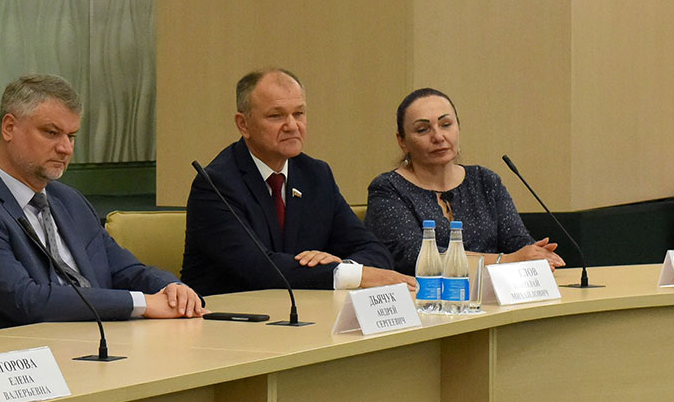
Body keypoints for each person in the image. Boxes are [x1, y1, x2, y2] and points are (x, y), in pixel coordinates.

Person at [0, 74, 203, 334]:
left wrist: (172, 290)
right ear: (9, 128)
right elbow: (27, 301)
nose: (66, 148)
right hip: (22, 356)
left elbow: (125, 270)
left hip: (94, 345)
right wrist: (143, 303)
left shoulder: (69, 201)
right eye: (51, 133)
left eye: (71, 136)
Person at [180, 69, 409, 298]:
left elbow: (374, 250)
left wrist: (344, 265)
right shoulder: (216, 184)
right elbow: (259, 269)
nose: (292, 125)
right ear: (243, 125)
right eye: (276, 116)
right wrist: (344, 274)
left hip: (304, 311)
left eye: (298, 114)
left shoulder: (316, 175)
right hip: (230, 314)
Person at [365, 88, 564, 275]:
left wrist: (536, 255)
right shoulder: (388, 189)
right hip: (426, 295)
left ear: (458, 128)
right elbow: (413, 255)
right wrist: (505, 260)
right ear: (402, 141)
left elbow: (516, 241)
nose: (438, 137)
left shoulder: (485, 181)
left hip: (492, 294)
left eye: (446, 125)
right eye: (423, 130)